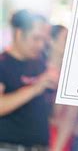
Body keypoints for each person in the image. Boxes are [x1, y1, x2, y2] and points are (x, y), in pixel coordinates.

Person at [0, 9, 57, 150]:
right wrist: (37, 87)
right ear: (19, 34)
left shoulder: (41, 63)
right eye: (36, 38)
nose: (41, 45)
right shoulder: (3, 64)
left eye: (44, 40)